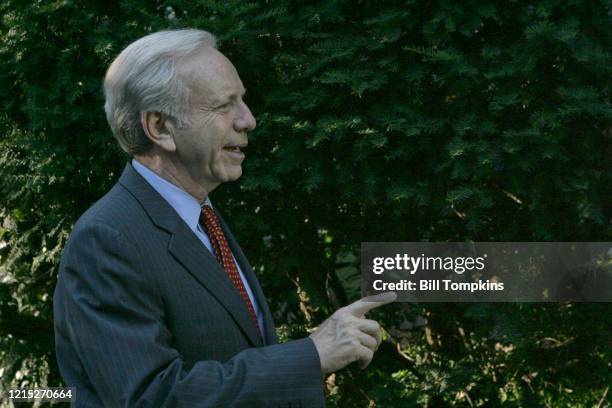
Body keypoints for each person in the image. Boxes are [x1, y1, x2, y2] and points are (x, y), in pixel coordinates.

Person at [53, 29, 395, 407]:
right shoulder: (107, 239)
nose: (248, 120)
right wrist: (310, 355)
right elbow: (152, 397)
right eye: (223, 106)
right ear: (160, 128)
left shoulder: (200, 216)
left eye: (243, 102)